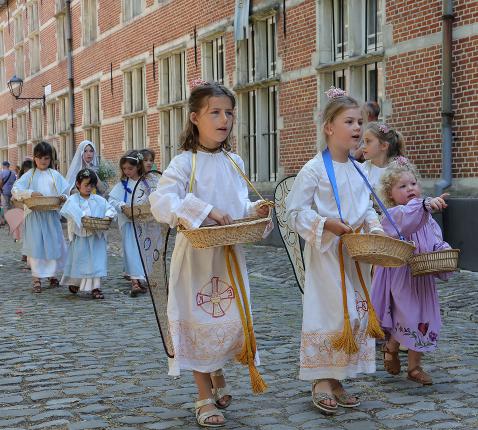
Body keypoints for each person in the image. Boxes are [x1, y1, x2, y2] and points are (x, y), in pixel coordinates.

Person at [149, 79, 270, 428]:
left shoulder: (234, 161)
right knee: (200, 322)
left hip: (229, 256)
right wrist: (204, 210)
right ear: (194, 118)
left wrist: (254, 211)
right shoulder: (184, 162)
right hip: (197, 259)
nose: (224, 119)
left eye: (229, 112)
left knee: (227, 321)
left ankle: (216, 370)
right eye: (214, 112)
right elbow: (162, 201)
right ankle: (203, 395)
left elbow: (236, 207)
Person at [285, 87, 385, 416]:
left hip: (355, 255)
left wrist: (376, 231)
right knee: (329, 314)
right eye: (349, 121)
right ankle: (320, 381)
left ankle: (339, 377)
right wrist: (326, 224)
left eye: (359, 122)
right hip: (328, 255)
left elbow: (366, 207)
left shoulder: (359, 170)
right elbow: (295, 211)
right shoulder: (314, 169)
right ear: (329, 127)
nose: (357, 128)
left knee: (355, 314)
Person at [371, 157, 452, 386]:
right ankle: (392, 346)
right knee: (403, 316)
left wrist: (442, 250)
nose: (410, 189)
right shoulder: (394, 215)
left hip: (423, 279)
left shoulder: (428, 220)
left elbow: (436, 241)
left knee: (423, 319)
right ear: (390, 194)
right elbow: (406, 221)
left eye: (413, 184)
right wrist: (424, 205)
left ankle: (415, 367)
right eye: (402, 186)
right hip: (400, 277)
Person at [11, 142, 69, 293]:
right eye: (40, 158)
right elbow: (16, 189)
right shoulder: (29, 176)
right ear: (35, 158)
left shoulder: (55, 175)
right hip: (35, 216)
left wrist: (63, 197)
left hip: (50, 215)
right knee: (36, 246)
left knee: (51, 244)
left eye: (47, 158)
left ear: (50, 159)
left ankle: (51, 274)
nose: (43, 161)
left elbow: (66, 190)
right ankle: (36, 278)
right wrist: (30, 194)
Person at [60, 169, 116, 299]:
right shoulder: (73, 200)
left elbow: (110, 209)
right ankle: (76, 281)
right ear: (78, 184)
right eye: (86, 185)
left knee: (97, 261)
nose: (89, 188)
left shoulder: (99, 200)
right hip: (81, 237)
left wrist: (107, 217)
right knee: (81, 261)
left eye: (91, 185)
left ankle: (96, 287)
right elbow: (72, 212)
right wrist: (84, 218)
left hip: (96, 237)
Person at [108, 150, 148, 297]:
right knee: (131, 249)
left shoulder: (145, 183)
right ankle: (134, 281)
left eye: (130, 169)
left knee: (143, 250)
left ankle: (142, 277)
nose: (127, 171)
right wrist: (122, 206)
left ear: (138, 167)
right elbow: (112, 200)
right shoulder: (123, 184)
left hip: (143, 223)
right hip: (128, 223)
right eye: (124, 169)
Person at [361, 122, 406, 213]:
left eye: (368, 141)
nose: (363, 146)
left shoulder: (398, 169)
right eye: (363, 142)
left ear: (384, 146)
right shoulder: (362, 169)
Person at [0, 161, 17, 225]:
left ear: (4, 165)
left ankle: (7, 220)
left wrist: (1, 188)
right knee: (11, 205)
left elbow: (1, 182)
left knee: (5, 206)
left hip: (4, 191)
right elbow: (15, 182)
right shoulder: (13, 173)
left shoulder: (2, 172)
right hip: (12, 191)